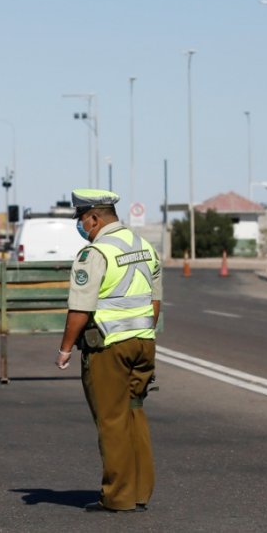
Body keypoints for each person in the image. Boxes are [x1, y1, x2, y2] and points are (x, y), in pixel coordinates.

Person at [55, 188, 162, 513]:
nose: (80, 225)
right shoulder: (145, 248)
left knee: (111, 420)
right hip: (143, 344)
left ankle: (117, 497)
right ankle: (140, 491)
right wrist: (140, 333)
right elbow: (155, 302)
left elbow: (80, 310)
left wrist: (65, 349)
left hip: (108, 348)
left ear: (94, 218)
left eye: (81, 219)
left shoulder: (96, 254)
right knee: (134, 412)